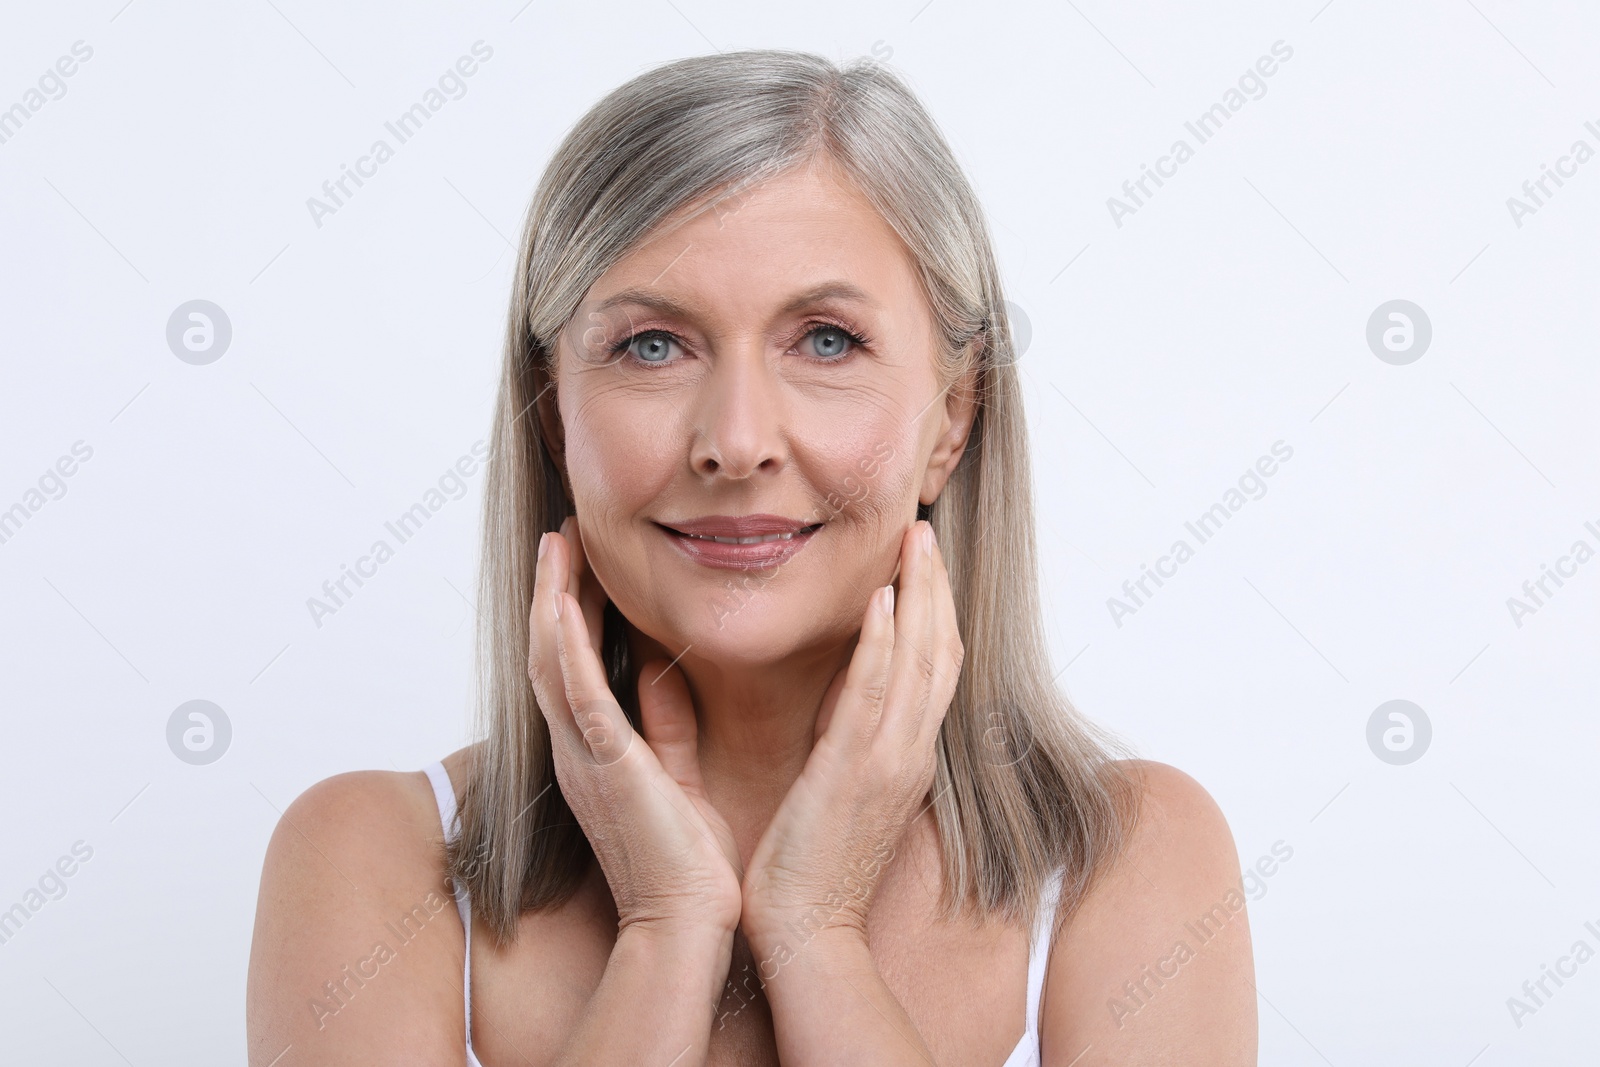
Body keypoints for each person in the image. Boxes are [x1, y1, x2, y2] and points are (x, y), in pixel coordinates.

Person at [246, 48, 1257, 1066]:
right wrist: (666, 930)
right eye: (652, 345)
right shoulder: (371, 860)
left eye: (824, 341)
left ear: (952, 415)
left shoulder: (1129, 859)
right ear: (553, 411)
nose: (736, 439)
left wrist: (814, 930)